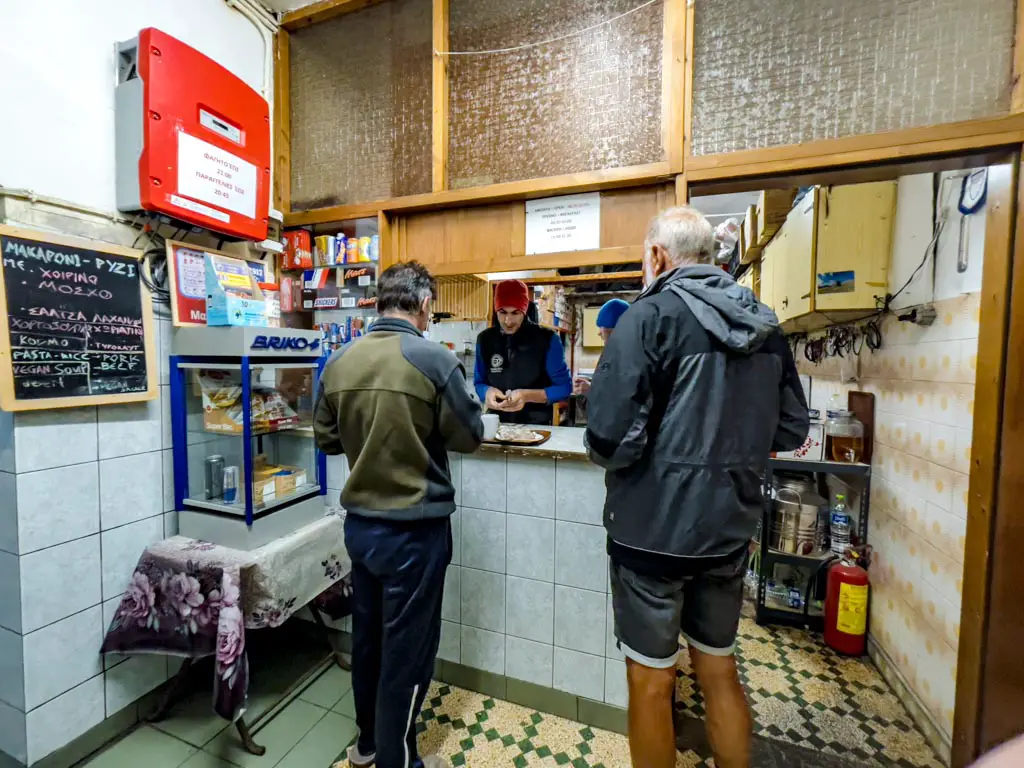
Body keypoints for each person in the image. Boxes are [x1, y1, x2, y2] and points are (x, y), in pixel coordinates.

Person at [584, 207, 809, 768]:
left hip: (651, 535)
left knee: (651, 680)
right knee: (718, 668)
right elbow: (790, 427)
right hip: (729, 531)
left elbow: (611, 439)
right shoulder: (764, 322)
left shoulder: (649, 315)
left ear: (657, 256)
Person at [314, 261, 483, 768]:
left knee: (368, 638)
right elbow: (469, 436)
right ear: (425, 304)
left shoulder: (339, 361)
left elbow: (325, 438)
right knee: (407, 651)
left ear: (378, 301)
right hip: (415, 532)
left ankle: (367, 745)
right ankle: (398, 759)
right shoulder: (434, 360)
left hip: (361, 529)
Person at [474, 279, 572, 424]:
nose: (508, 321)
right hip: (496, 425)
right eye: (502, 312)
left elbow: (564, 388)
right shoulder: (485, 339)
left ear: (525, 310)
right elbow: (479, 382)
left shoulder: (547, 340)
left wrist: (527, 396)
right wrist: (486, 392)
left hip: (535, 427)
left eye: (515, 313)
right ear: (496, 310)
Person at [573, 298, 630, 396]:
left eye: (602, 327)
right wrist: (594, 382)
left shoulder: (630, 356)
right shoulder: (617, 353)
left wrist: (592, 389)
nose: (599, 333)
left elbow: (627, 396)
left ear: (614, 330)